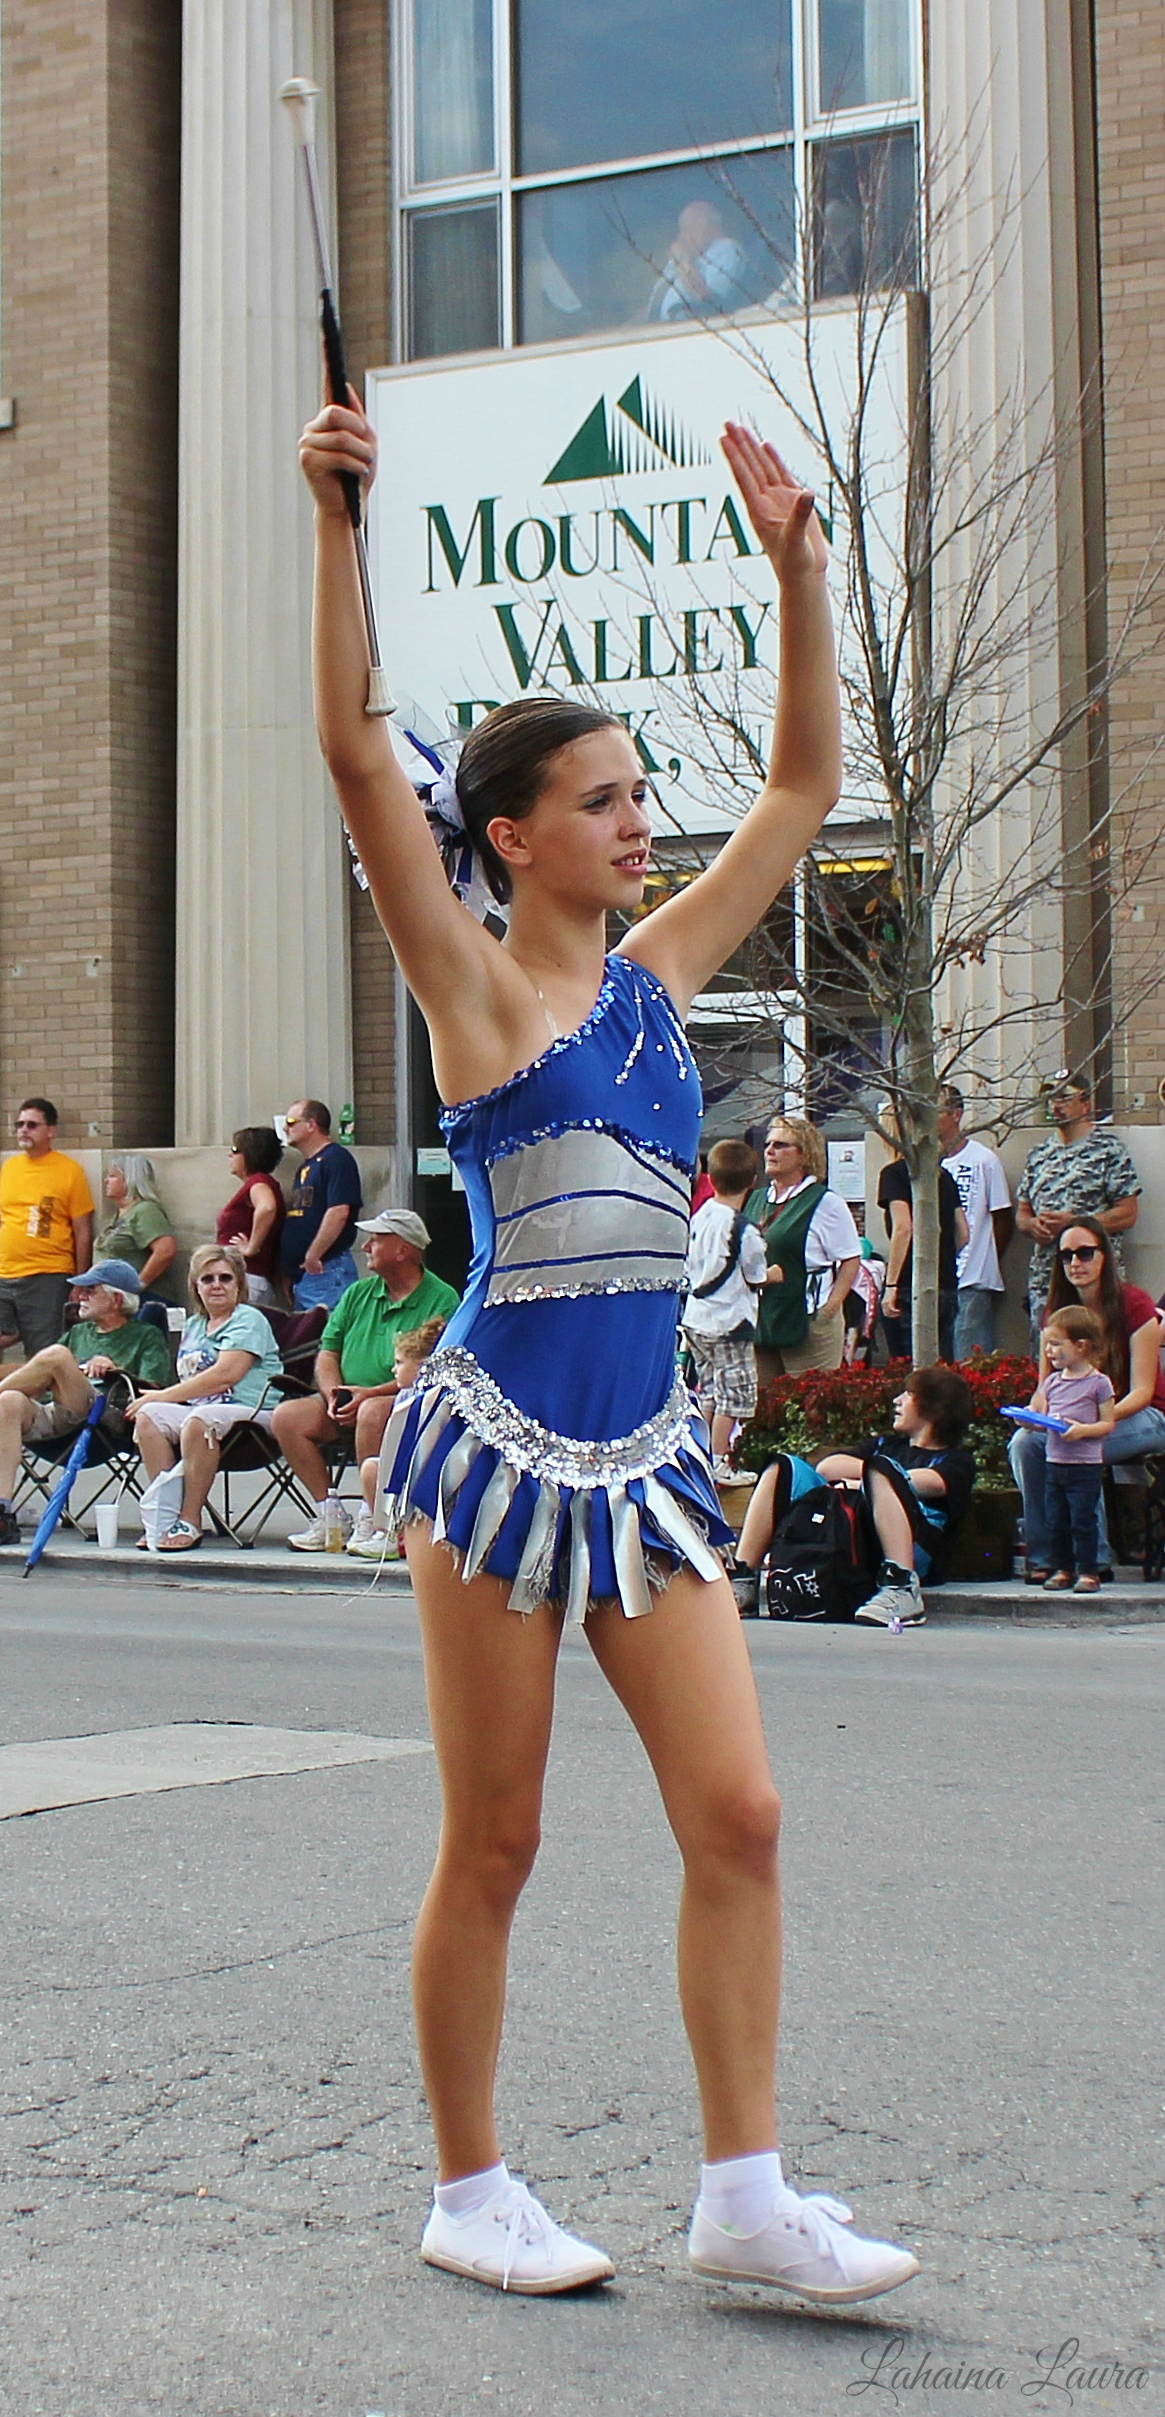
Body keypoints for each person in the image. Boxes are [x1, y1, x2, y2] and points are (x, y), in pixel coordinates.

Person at [299, 393, 920, 2304]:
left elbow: (805, 788)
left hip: (646, 1458)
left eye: (642, 795)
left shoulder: (658, 982)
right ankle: (469, 2187)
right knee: (496, 1839)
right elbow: (353, 750)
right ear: (511, 834)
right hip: (496, 1452)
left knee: (742, 1811)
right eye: (605, 800)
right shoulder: (477, 990)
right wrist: (335, 521)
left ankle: (745, 2193)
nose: (643, 822)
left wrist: (801, 573)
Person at [730, 1366, 976, 1628]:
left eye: (908, 1394)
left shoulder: (956, 1460)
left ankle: (902, 1588)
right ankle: (743, 1579)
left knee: (882, 1469)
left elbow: (933, 1483)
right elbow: (828, 1467)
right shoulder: (885, 1445)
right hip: (855, 1534)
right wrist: (869, 1479)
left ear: (934, 1407)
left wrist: (869, 1480)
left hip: (914, 1547)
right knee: (782, 1467)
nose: (897, 1400)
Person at [273, 1209, 459, 1553]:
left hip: (405, 1403)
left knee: (372, 1411)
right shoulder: (358, 1293)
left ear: (402, 1250)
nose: (365, 1247)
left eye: (375, 1240)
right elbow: (328, 1352)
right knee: (287, 1417)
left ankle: (373, 1515)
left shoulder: (442, 1299)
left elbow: (433, 1370)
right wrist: (334, 1394)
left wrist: (370, 1393)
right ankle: (328, 1515)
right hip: (345, 1401)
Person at [1009, 1216, 1165, 1582]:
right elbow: (1045, 1388)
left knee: (1081, 1446)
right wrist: (1034, 1414)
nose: (1075, 1263)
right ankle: (1047, 1557)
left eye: (1085, 1253)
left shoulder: (1134, 1304)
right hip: (1076, 1419)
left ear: (1104, 1256)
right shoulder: (1056, 1313)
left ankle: (1091, 1562)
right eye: (1066, 1256)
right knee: (1024, 1444)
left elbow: (1142, 1392)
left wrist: (1094, 1423)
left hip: (1146, 1417)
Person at [0, 1258, 171, 1547]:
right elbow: (41, 1378)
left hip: (107, 1417)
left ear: (117, 1299)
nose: (80, 1296)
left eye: (91, 1290)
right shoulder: (79, 1333)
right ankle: (3, 1512)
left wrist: (115, 1369)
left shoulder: (145, 1335)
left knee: (57, 1356)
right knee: (9, 1400)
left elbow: (154, 1387)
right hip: (61, 1413)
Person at [126, 1244, 282, 1552]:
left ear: (239, 1284)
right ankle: (164, 1518)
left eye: (225, 1278)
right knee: (148, 1417)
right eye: (207, 1279)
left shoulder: (248, 1319)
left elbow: (226, 1375)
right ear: (196, 1286)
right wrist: (159, 1401)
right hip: (203, 1410)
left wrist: (164, 1395)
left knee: (198, 1420)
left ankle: (190, 1519)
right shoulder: (195, 1324)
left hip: (252, 1410)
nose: (217, 1285)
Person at [1015, 1075, 1140, 1350]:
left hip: (1095, 1284)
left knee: (1098, 1354)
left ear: (1085, 1103)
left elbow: (1127, 1213)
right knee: (1049, 1357)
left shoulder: (1108, 1150)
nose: (1055, 1106)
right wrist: (1032, 1225)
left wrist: (1076, 1225)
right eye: (1051, 1099)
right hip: (1047, 1282)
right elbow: (1022, 1213)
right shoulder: (1039, 1155)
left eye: (1064, 1098)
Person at [745, 1116, 861, 1382]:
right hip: (763, 1318)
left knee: (809, 1399)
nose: (770, 1151)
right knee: (763, 1402)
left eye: (781, 1145)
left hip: (808, 1319)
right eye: (767, 1144)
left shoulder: (825, 1202)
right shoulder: (756, 1199)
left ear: (804, 1154)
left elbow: (851, 1258)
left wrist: (830, 1309)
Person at [681, 1138, 768, 1476]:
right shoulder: (742, 1228)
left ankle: (700, 1457)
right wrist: (774, 1274)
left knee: (708, 1391)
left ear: (712, 1179)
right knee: (734, 1396)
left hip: (697, 1317)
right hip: (729, 1322)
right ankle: (719, 1462)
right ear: (752, 1181)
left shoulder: (701, 1215)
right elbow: (756, 1274)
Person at [1028, 1306, 1115, 1594]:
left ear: (1081, 1345)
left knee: (1083, 1520)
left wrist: (1082, 1431)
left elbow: (1107, 1424)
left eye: (1056, 1344)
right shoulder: (1052, 1382)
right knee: (1057, 1520)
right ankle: (1062, 1568)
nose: (1049, 1351)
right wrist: (1028, 1419)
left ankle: (1088, 1571)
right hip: (1055, 1462)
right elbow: (1042, 1418)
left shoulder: (1099, 1383)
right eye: (1047, 1344)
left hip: (1084, 1466)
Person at [348, 1314, 449, 1562]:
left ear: (422, 1366)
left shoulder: (438, 1397)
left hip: (431, 1467)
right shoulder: (404, 1396)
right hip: (405, 1463)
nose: (394, 1369)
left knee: (382, 1469)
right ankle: (388, 1533)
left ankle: (407, 1534)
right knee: (372, 1468)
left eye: (399, 1362)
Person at [0, 1098, 95, 1358]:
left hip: (47, 1275)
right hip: (5, 1272)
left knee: (43, 1352)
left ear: (50, 1130)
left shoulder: (69, 1171)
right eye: (19, 1124)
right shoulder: (10, 1168)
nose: (23, 1130)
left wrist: (80, 1280)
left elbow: (83, 1230)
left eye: (32, 1125)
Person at [876, 1128, 967, 1361]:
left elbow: (903, 1228)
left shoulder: (894, 1174)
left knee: (907, 1368)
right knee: (941, 1365)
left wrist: (892, 1284)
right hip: (946, 1284)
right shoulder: (943, 1176)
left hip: (909, 1286)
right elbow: (963, 1233)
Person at [938, 1086, 1013, 1357]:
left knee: (969, 1360)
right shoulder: (925, 1165)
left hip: (973, 1280)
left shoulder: (983, 1160)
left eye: (936, 1111)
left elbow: (1003, 1216)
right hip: (938, 1281)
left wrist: (986, 1260)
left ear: (956, 1114)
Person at [279, 1100, 362, 1311]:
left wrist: (314, 1255)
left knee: (328, 1329)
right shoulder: (305, 1167)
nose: (285, 1128)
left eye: (291, 1122)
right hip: (305, 1275)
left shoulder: (336, 1159)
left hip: (326, 1269)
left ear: (311, 1124)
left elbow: (339, 1211)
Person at [645, 201, 750, 322]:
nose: (681, 236)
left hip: (692, 326)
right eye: (681, 230)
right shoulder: (690, 255)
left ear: (710, 227)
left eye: (688, 229)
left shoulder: (726, 248)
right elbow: (657, 303)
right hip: (659, 326)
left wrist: (682, 261)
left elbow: (709, 301)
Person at [95, 1155, 180, 1304]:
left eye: (112, 1176)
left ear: (130, 1179)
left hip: (145, 1300)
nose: (106, 1181)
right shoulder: (120, 1214)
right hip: (115, 1300)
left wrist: (137, 1285)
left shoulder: (145, 1210)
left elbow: (166, 1250)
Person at [217, 1128, 287, 1307]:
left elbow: (267, 1207)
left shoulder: (259, 1182)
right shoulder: (258, 1183)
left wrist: (251, 1247)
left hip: (247, 1279)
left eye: (235, 1150)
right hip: (244, 1278)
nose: (230, 1155)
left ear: (249, 1154)